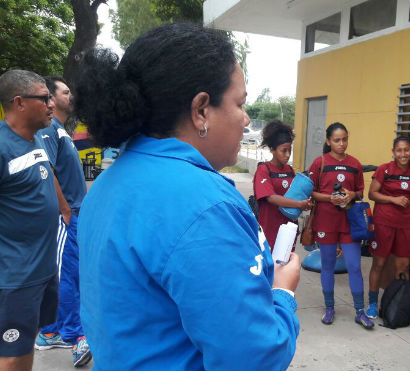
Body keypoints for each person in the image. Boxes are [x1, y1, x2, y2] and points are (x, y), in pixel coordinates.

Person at [74, 23, 300, 370]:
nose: (246, 118)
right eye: (240, 103)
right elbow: (255, 358)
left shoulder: (108, 183)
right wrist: (282, 294)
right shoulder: (207, 206)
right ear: (201, 111)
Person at [0, 70, 59, 371]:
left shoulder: (37, 139)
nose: (51, 104)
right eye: (44, 98)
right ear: (20, 103)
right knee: (10, 353)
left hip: (43, 268)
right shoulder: (2, 147)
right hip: (16, 276)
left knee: (28, 340)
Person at [34, 77, 91, 367]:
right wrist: (66, 210)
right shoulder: (48, 131)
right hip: (66, 216)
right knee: (66, 275)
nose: (71, 96)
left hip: (75, 214)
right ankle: (67, 334)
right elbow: (46, 169)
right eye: (66, 92)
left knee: (72, 273)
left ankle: (56, 330)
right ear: (52, 99)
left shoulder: (60, 130)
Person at [308, 122, 374, 329]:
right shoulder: (319, 163)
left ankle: (359, 311)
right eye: (337, 140)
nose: (341, 143)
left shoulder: (354, 164)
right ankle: (329, 308)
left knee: (354, 265)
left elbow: (360, 191)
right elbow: (311, 192)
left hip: (349, 223)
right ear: (328, 141)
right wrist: (330, 198)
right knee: (327, 265)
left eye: (345, 139)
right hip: (326, 221)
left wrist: (352, 194)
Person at [365, 136, 410, 319]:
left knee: (404, 266)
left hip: (405, 225)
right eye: (399, 150)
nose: (403, 154)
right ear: (393, 152)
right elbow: (372, 194)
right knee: (379, 264)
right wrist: (393, 199)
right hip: (384, 223)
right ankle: (371, 303)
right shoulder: (384, 170)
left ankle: (399, 302)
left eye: (407, 150)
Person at [253, 120, 312, 250]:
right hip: (270, 229)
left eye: (289, 150)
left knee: (287, 265)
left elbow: (296, 195)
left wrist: (305, 203)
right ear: (272, 149)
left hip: (289, 229)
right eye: (283, 150)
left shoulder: (290, 170)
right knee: (272, 267)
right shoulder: (263, 170)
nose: (287, 155)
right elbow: (271, 197)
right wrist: (299, 204)